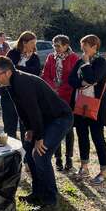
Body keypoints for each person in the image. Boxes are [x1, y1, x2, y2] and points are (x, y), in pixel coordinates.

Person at [0, 56, 73, 211]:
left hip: (59, 118)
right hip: (45, 120)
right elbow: (21, 110)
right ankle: (38, 194)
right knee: (29, 151)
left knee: (40, 155)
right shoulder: (11, 83)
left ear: (7, 72)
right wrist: (29, 129)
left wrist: (40, 137)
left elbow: (34, 111)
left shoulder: (22, 83)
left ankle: (51, 200)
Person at [68, 35, 106, 185]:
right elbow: (71, 80)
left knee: (98, 138)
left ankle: (104, 172)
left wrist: (86, 66)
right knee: (82, 136)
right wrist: (83, 81)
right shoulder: (79, 61)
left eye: (86, 45)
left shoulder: (101, 62)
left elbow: (93, 78)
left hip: (96, 108)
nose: (83, 48)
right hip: (80, 105)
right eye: (82, 45)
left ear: (94, 46)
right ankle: (84, 167)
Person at [41, 35, 79, 171]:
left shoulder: (74, 58)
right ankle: (58, 158)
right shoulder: (51, 57)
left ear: (66, 45)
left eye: (58, 45)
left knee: (68, 129)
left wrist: (61, 89)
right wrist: (53, 88)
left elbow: (74, 78)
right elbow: (45, 75)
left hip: (67, 96)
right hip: (53, 96)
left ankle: (69, 157)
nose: (55, 48)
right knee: (54, 127)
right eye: (54, 45)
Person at [4, 31, 41, 139]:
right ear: (24, 42)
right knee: (9, 126)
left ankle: (26, 154)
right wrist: (22, 70)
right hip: (9, 93)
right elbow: (6, 69)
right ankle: (9, 154)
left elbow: (36, 72)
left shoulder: (34, 57)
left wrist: (17, 68)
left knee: (27, 127)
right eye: (32, 43)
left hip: (27, 95)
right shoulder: (12, 53)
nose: (34, 45)